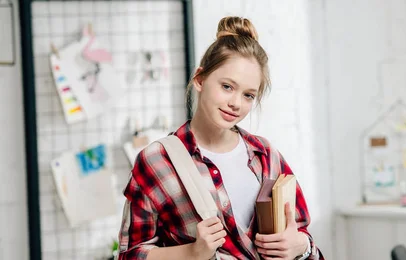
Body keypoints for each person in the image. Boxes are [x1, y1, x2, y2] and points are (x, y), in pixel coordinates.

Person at [117, 16, 324, 260]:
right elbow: (130, 255)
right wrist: (193, 252)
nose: (235, 103)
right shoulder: (157, 161)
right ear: (200, 79)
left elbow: (302, 234)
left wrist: (300, 246)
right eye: (227, 86)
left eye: (248, 95)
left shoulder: (265, 154)